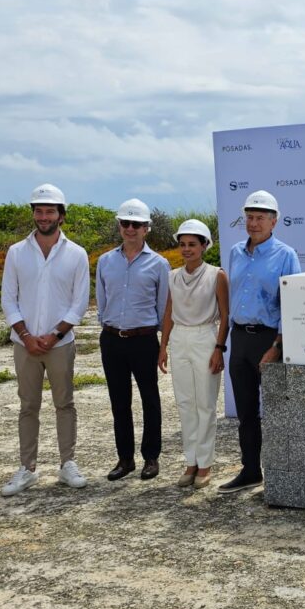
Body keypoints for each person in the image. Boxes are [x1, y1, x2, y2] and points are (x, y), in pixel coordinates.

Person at [0, 184, 91, 496]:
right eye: (38, 210)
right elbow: (8, 299)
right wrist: (26, 335)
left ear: (61, 216)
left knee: (64, 404)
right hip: (24, 344)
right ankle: (27, 468)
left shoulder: (77, 254)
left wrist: (54, 335)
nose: (43, 216)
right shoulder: (16, 252)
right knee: (28, 406)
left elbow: (79, 303)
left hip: (60, 344)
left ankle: (68, 464)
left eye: (50, 211)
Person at [220, 190, 300, 494]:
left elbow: (292, 306)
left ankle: (283, 475)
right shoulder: (236, 252)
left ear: (274, 221)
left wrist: (277, 346)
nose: (253, 223)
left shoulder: (286, 255)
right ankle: (251, 470)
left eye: (260, 218)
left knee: (278, 413)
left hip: (269, 341)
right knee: (246, 413)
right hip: (240, 339)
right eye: (249, 217)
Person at [98, 199, 171, 482]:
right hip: (112, 338)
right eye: (125, 223)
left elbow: (165, 307)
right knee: (119, 401)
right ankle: (125, 459)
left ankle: (151, 457)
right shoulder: (105, 261)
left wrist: (163, 346)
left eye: (136, 224)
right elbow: (102, 303)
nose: (130, 229)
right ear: (119, 226)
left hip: (143, 340)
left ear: (147, 229)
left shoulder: (159, 263)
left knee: (149, 399)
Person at [158, 219, 229, 489]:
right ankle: (191, 461)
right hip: (180, 339)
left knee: (205, 404)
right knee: (185, 403)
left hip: (205, 336)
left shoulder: (216, 275)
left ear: (204, 246)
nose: (187, 249)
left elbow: (225, 316)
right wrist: (163, 346)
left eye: (192, 244)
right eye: (183, 244)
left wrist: (219, 349)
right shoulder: (173, 276)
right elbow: (168, 313)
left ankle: (206, 464)